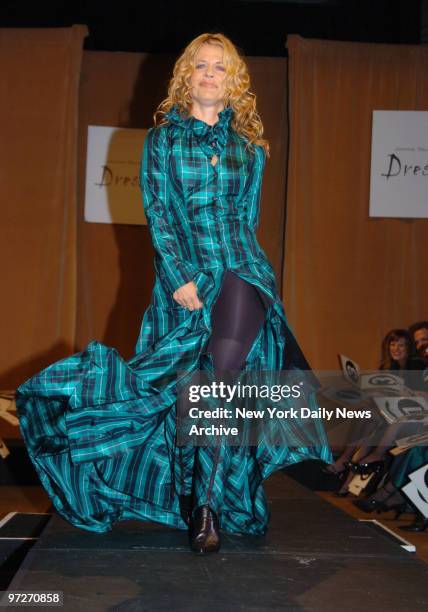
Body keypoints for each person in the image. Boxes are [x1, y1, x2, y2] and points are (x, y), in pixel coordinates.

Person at [15, 32, 332, 554]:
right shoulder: (162, 140)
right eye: (202, 66)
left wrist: (245, 274)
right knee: (185, 387)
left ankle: (205, 507)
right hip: (184, 282)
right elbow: (158, 214)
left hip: (243, 274)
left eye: (221, 68)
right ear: (188, 75)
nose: (210, 74)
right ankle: (194, 492)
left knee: (219, 381)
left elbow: (247, 219)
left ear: (234, 82)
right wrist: (179, 276)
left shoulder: (250, 147)